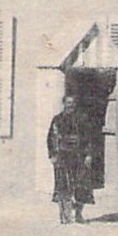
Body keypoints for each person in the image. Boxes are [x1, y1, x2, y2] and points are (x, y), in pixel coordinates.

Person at [47, 93, 99, 224]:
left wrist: (89, 154)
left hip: (79, 155)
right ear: (64, 104)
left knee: (82, 185)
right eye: (68, 103)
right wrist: (53, 155)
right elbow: (51, 138)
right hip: (62, 156)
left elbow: (89, 138)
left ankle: (79, 215)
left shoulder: (83, 119)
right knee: (62, 185)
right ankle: (65, 216)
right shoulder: (57, 119)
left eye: (73, 103)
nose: (71, 105)